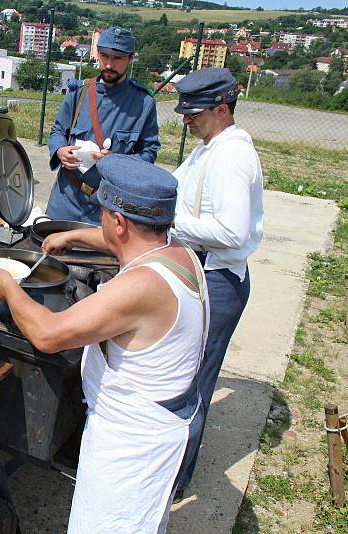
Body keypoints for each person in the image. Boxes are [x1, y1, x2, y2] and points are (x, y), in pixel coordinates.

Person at [0, 154, 208, 533]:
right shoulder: (178, 251)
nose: (100, 221)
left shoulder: (141, 287)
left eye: (103, 215)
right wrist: (73, 236)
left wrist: (6, 286)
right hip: (161, 424)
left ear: (119, 222)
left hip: (131, 446)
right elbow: (120, 241)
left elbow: (47, 335)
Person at [169, 67, 264, 500]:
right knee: (182, 377)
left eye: (194, 112)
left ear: (221, 109)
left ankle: (175, 481)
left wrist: (167, 222)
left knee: (192, 384)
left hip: (219, 281)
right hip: (201, 273)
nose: (185, 119)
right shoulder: (209, 147)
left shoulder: (231, 156)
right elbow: (170, 186)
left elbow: (232, 232)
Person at [46, 26, 160, 225]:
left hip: (109, 208)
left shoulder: (143, 103)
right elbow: (58, 130)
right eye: (104, 56)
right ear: (97, 53)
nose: (108, 64)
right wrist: (60, 151)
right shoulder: (79, 93)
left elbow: (149, 151)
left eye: (117, 58)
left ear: (130, 59)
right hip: (66, 200)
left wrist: (118, 163)